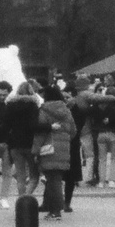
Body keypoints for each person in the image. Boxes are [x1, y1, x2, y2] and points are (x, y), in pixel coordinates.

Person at [33, 83, 77, 217]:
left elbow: (40, 134)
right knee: (55, 178)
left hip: (48, 149)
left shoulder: (44, 111)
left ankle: (56, 211)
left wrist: (35, 151)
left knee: (53, 181)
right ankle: (49, 205)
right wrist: (64, 139)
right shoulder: (67, 110)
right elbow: (73, 131)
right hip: (64, 149)